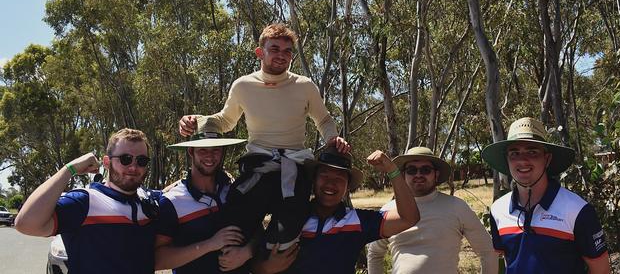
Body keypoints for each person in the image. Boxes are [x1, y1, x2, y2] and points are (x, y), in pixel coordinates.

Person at [178, 23, 351, 251]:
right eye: (275, 49)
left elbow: (324, 120)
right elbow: (225, 121)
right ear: (260, 52)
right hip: (258, 166)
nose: (282, 55)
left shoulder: (305, 86)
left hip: (295, 166)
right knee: (233, 226)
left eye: (287, 51)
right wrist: (197, 121)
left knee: (284, 238)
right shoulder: (243, 86)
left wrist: (332, 138)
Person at [252, 147, 420, 274]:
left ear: (348, 187)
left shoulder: (357, 221)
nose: (331, 184)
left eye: (339, 178)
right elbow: (254, 261)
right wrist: (265, 268)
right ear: (314, 180)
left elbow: (408, 218)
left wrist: (393, 170)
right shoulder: (290, 216)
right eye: (324, 175)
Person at [15, 128, 158, 274]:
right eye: (125, 159)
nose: (133, 167)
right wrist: (69, 169)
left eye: (141, 161)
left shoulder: (149, 200)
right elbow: (25, 224)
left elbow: (179, 189)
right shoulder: (84, 202)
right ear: (107, 162)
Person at [482, 117, 610, 273]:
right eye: (514, 153)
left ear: (547, 158)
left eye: (532, 152)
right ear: (507, 160)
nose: (522, 160)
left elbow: (601, 270)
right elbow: (506, 261)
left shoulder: (577, 211)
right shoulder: (498, 210)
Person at [367, 146, 498, 274]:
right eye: (412, 170)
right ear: (403, 175)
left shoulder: (457, 207)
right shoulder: (388, 210)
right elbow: (375, 253)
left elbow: (487, 250)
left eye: (425, 170)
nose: (418, 174)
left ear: (436, 174)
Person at [155, 118, 254, 273]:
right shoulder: (172, 201)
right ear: (191, 151)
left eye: (216, 149)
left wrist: (247, 252)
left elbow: (260, 234)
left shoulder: (236, 192)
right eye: (203, 149)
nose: (210, 156)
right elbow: (158, 260)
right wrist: (210, 244)